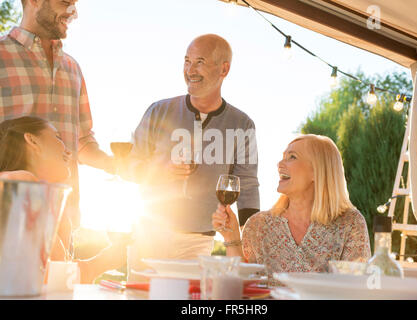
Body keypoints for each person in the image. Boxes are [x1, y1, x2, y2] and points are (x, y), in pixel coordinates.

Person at [127, 34, 260, 273]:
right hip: (149, 233)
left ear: (224, 69)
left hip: (198, 240)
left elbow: (247, 185)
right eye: (187, 61)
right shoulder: (158, 111)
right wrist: (161, 170)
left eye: (200, 62)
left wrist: (252, 241)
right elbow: (130, 166)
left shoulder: (242, 124)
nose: (190, 70)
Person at [0, 0, 115, 260]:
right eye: (65, 2)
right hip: (10, 221)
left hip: (63, 221)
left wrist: (118, 166)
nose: (73, 12)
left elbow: (82, 142)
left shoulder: (73, 68)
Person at [212, 134, 371, 277]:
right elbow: (241, 284)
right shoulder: (257, 225)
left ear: (317, 171)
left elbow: (356, 288)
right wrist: (231, 237)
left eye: (292, 157)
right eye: (283, 157)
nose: (280, 163)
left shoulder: (350, 223)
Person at [0, 116, 127, 284]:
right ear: (32, 140)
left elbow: (53, 276)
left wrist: (112, 257)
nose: (68, 151)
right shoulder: (19, 183)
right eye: (58, 137)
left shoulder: (45, 200)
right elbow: (52, 280)